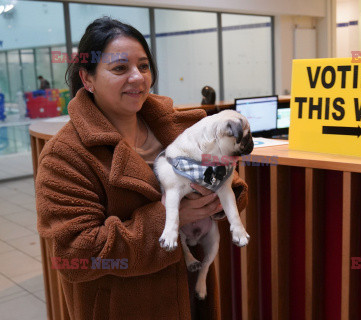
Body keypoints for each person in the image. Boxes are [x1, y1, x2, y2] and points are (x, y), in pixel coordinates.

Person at [35, 17, 248, 320]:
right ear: (88, 79)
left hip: (188, 292)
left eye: (144, 66)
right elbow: (76, 253)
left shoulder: (175, 126)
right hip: (126, 306)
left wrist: (215, 197)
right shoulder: (65, 155)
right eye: (120, 68)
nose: (138, 77)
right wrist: (170, 219)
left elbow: (235, 189)